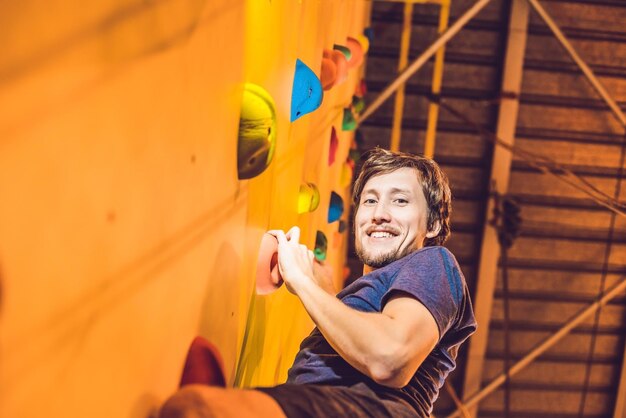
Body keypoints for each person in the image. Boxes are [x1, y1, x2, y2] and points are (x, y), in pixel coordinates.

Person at [159, 148, 477, 418]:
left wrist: (302, 282)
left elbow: (389, 357)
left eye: (400, 201)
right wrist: (323, 287)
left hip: (374, 409)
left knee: (196, 408)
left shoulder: (434, 263)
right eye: (369, 201)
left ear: (433, 224)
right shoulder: (367, 298)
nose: (379, 214)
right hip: (328, 401)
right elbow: (362, 337)